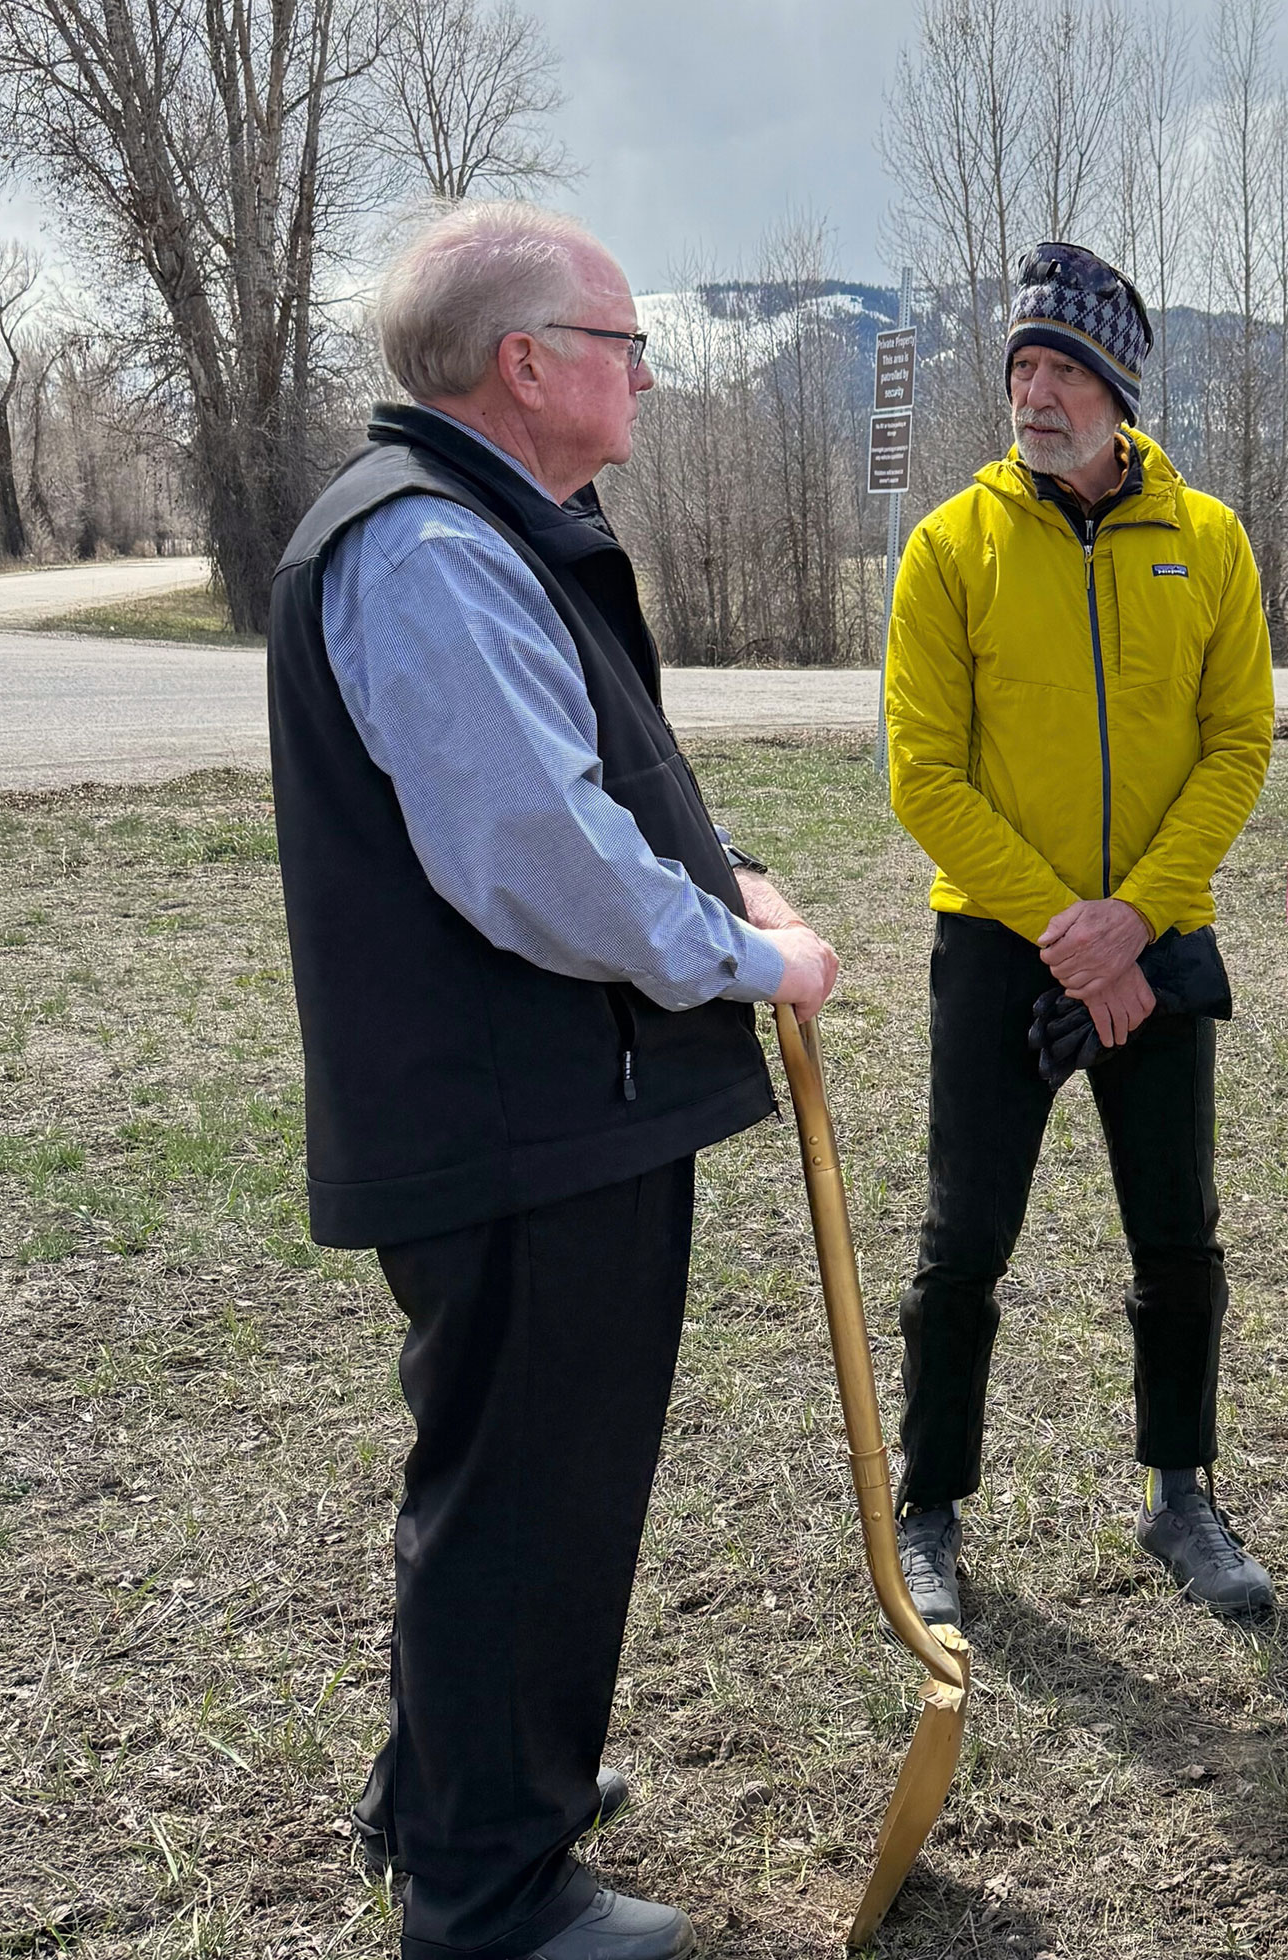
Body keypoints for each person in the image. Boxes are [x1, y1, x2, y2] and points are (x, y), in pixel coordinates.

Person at [267, 201, 838, 1960]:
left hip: (536, 1103)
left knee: (505, 1472)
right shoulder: (431, 545)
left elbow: (592, 773)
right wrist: (751, 959)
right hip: (522, 1119)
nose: (644, 375)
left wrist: (722, 870)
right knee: (531, 1492)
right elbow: (531, 854)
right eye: (621, 344)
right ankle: (492, 1894)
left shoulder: (497, 527)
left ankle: (448, 1798)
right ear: (527, 365)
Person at [882, 241, 1276, 1625]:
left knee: (1177, 1233)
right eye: (1021, 367)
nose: (1033, 393)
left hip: (1155, 930)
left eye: (1061, 368)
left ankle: (1182, 1495)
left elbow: (1238, 746)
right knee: (962, 1240)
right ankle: (926, 1512)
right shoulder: (950, 546)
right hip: (1001, 939)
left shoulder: (1210, 541)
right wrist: (1066, 930)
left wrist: (1135, 921)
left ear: (1118, 389)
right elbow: (922, 774)